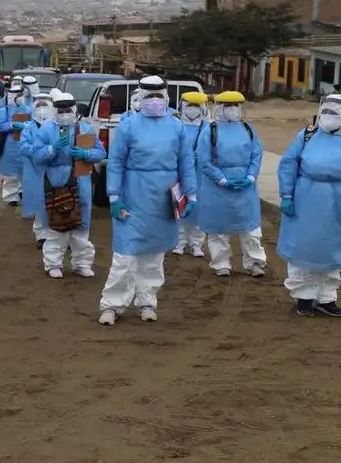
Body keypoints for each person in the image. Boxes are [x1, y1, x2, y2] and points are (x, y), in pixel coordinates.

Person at [98, 77, 198, 325]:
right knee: (125, 255)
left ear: (166, 97)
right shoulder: (128, 126)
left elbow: (186, 162)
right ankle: (112, 304)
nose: (154, 101)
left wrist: (191, 194)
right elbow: (116, 162)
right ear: (140, 97)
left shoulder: (177, 127)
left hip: (163, 199)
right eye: (149, 96)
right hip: (133, 195)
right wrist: (114, 196)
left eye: (158, 96)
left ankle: (147, 302)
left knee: (154, 255)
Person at [277, 94, 341, 317]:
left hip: (339, 204)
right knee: (303, 247)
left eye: (334, 112)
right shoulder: (306, 136)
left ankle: (327, 297)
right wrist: (287, 195)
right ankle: (303, 296)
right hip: (305, 200)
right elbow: (288, 164)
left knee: (333, 250)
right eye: (325, 111)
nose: (328, 116)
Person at [31, 91, 105, 279]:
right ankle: (53, 263)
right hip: (55, 181)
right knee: (56, 227)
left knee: (81, 226)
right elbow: (37, 156)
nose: (64, 113)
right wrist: (51, 149)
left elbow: (101, 153)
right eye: (61, 110)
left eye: (68, 110)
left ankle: (82, 264)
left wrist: (86, 154)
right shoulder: (46, 130)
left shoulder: (85, 128)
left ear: (74, 110)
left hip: (81, 181)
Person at [195, 91, 267, 277]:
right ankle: (221, 263)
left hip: (245, 187)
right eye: (227, 106)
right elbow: (204, 159)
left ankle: (255, 262)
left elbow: (256, 154)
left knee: (250, 228)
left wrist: (251, 176)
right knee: (218, 228)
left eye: (235, 105)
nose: (232, 109)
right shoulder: (210, 131)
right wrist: (221, 179)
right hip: (217, 187)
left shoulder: (247, 129)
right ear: (218, 107)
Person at [172, 91, 209, 257]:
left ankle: (197, 244)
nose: (192, 109)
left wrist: (200, 157)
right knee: (179, 205)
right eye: (189, 105)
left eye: (196, 106)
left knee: (198, 210)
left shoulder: (208, 127)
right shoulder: (175, 125)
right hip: (178, 173)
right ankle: (179, 242)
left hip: (200, 175)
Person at [18, 90, 55, 247]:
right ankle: (41, 235)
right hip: (34, 171)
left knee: (55, 202)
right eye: (38, 105)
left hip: (53, 170)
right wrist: (40, 152)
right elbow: (24, 147)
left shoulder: (56, 126)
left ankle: (55, 235)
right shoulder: (28, 128)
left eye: (45, 105)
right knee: (39, 203)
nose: (42, 109)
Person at [0, 79, 33, 206]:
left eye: (21, 94)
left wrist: (26, 126)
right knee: (10, 174)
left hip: (25, 143)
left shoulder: (27, 108)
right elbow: (0, 127)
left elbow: (33, 123)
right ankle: (11, 197)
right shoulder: (4, 110)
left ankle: (22, 191)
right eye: (18, 95)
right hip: (10, 145)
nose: (20, 97)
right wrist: (12, 125)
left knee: (25, 169)